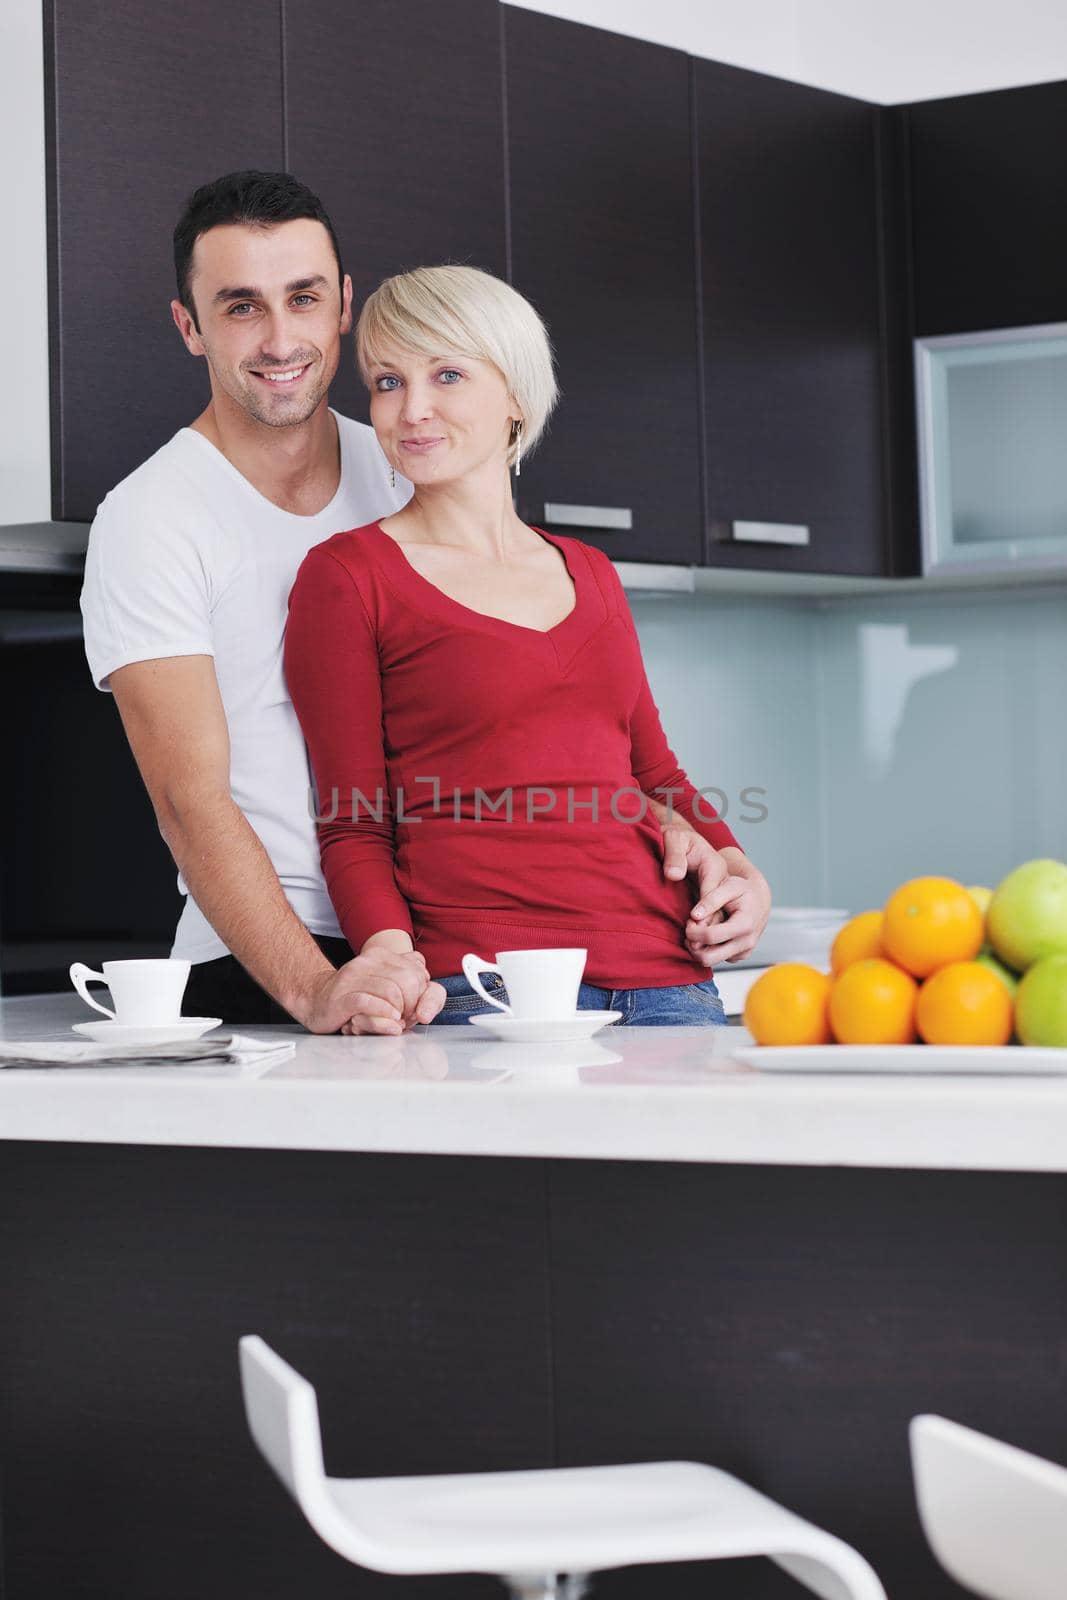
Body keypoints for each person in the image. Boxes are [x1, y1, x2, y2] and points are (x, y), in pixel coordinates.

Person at [80, 171, 728, 1035]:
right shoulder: (152, 517)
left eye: (302, 297)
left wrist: (660, 818)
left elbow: (516, 701)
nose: (279, 338)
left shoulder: (409, 455)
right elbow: (188, 801)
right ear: (189, 326)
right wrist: (315, 988)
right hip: (277, 953)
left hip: (449, 934)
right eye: (240, 307)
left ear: (343, 304)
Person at [284, 265, 771, 1027]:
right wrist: (385, 953)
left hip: (670, 972)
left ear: (514, 393)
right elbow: (352, 817)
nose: (412, 409)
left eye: (447, 374)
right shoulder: (348, 578)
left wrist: (740, 869)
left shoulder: (592, 574)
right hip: (486, 983)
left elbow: (651, 771)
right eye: (386, 381)